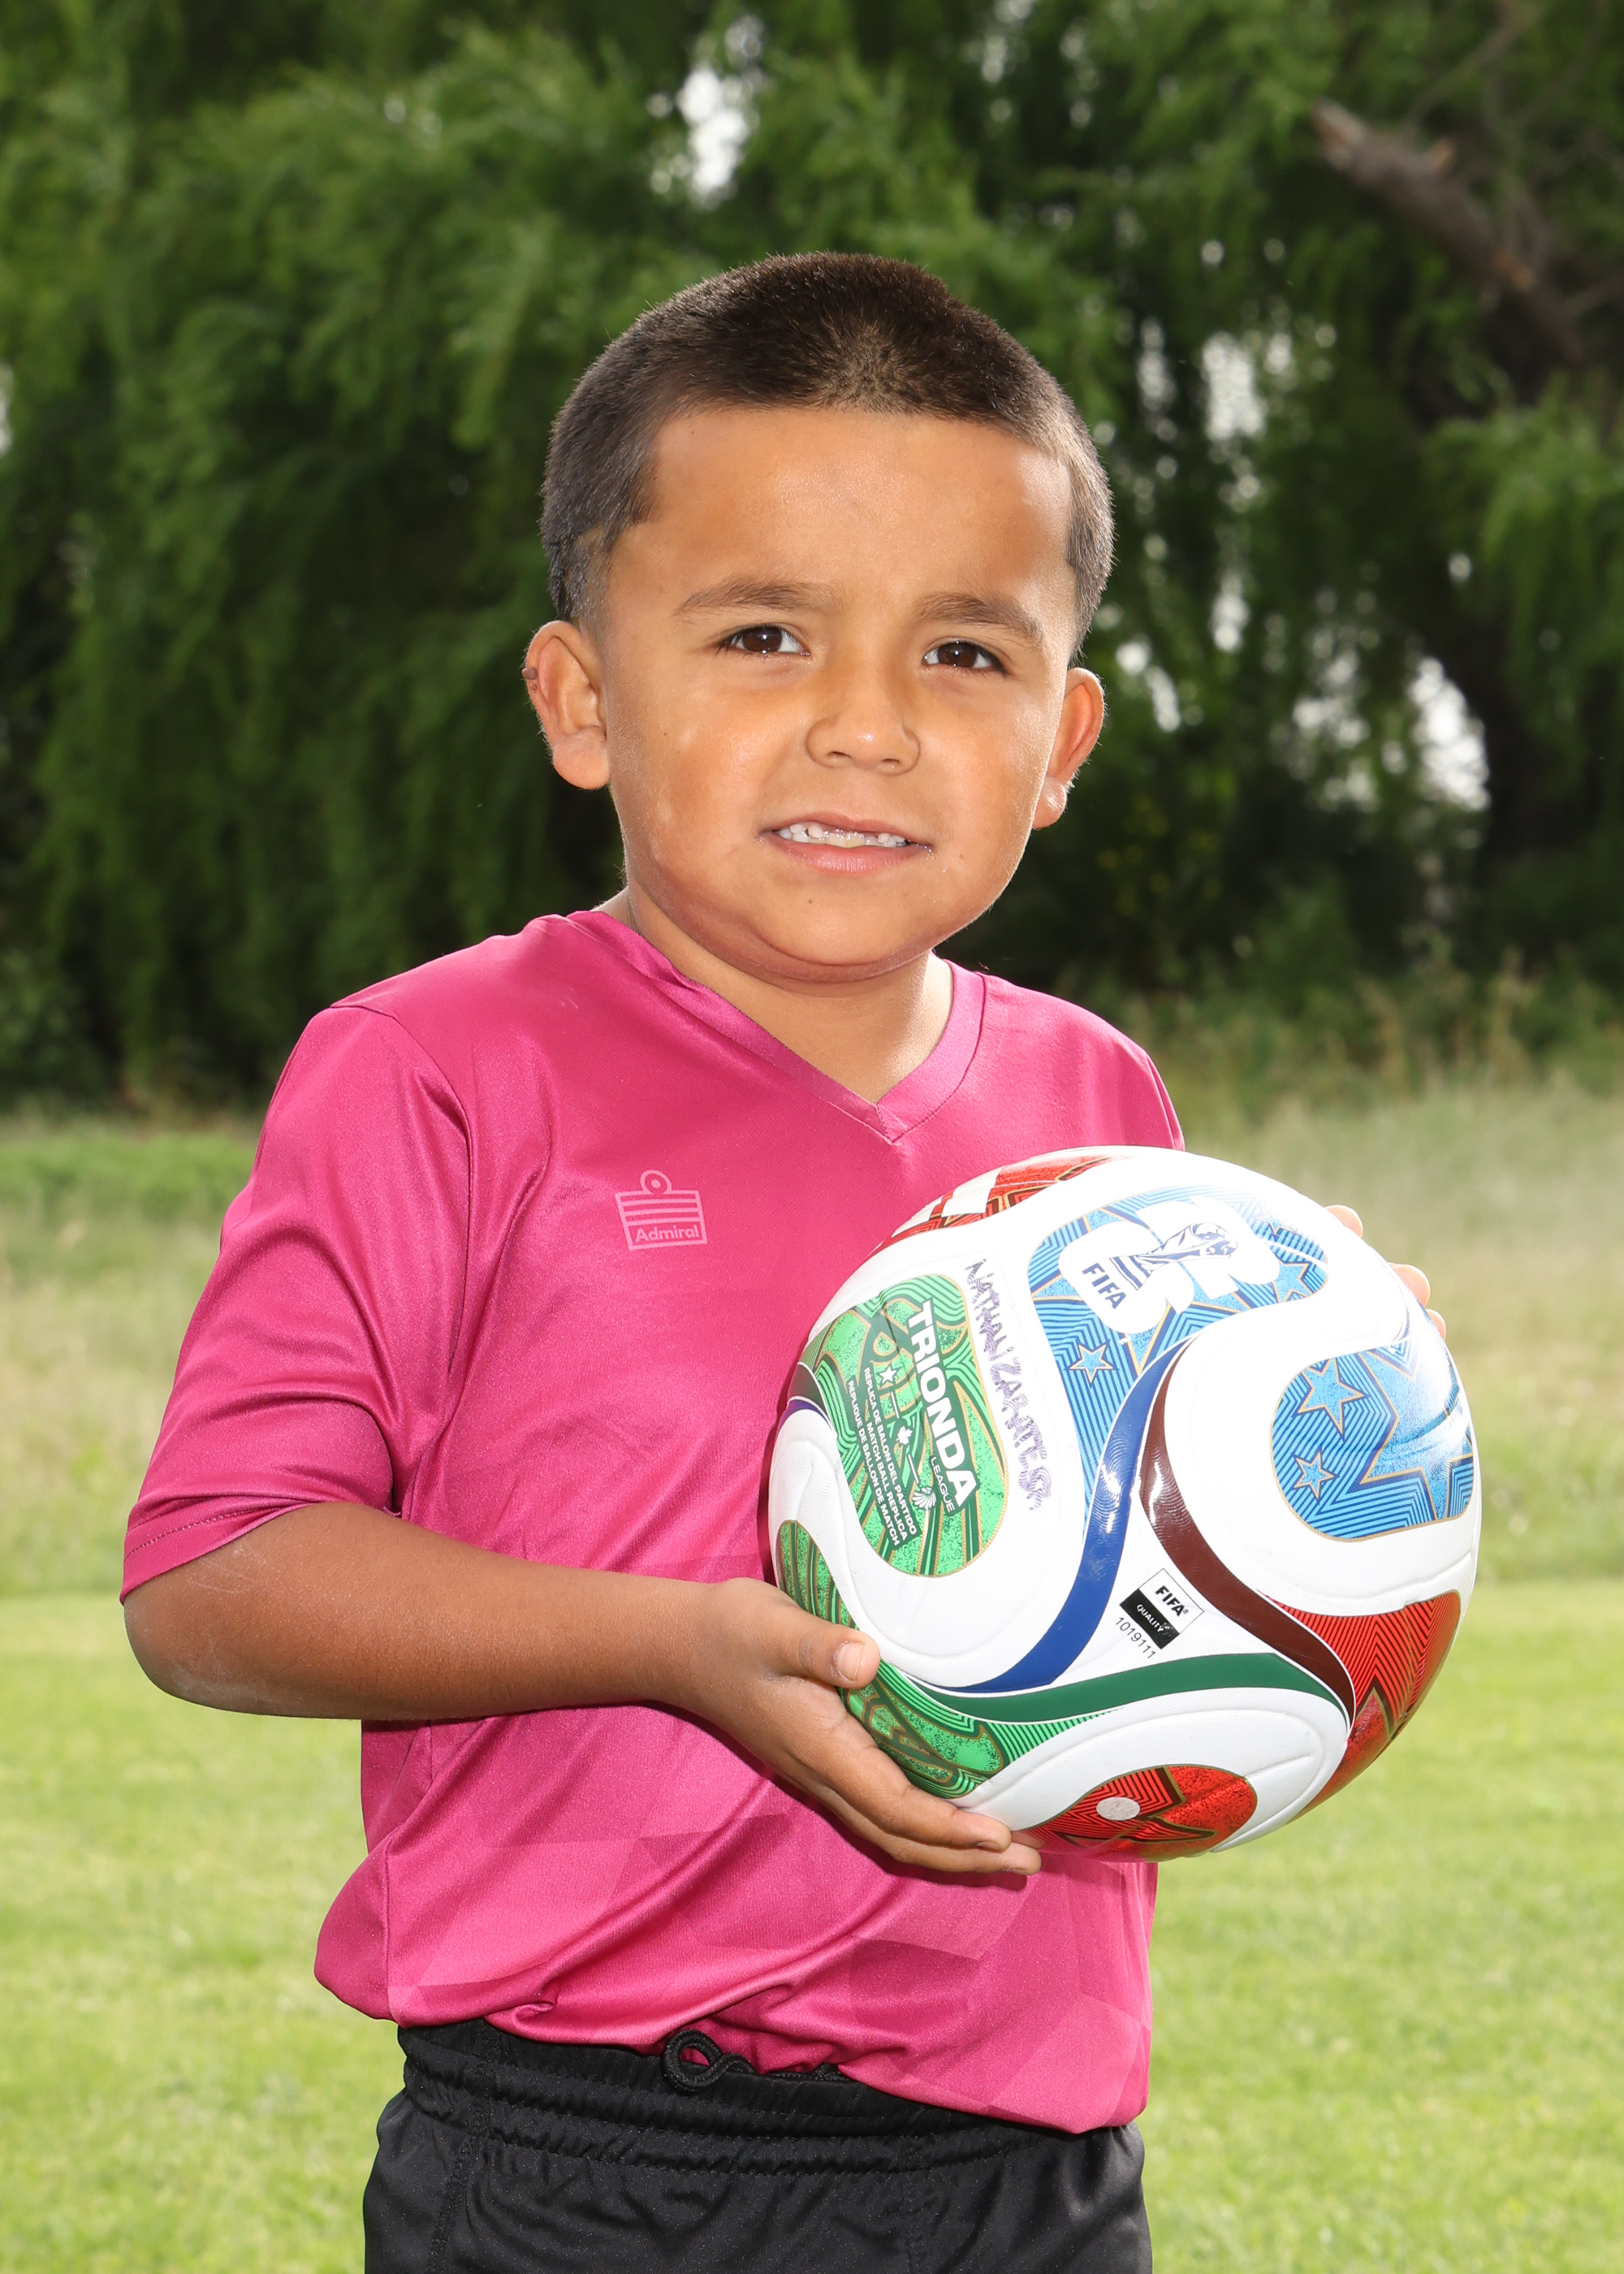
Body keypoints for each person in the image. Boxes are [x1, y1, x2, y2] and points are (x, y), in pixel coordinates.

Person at [122, 254, 1439, 2272]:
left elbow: (1145, 1577)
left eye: (964, 654)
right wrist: (670, 1643)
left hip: (1025, 2169)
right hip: (576, 2157)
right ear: (581, 698)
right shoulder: (435, 1067)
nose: (866, 725)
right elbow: (215, 1577)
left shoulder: (1098, 1105)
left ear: (1065, 736)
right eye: (761, 633)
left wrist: (1312, 1386)